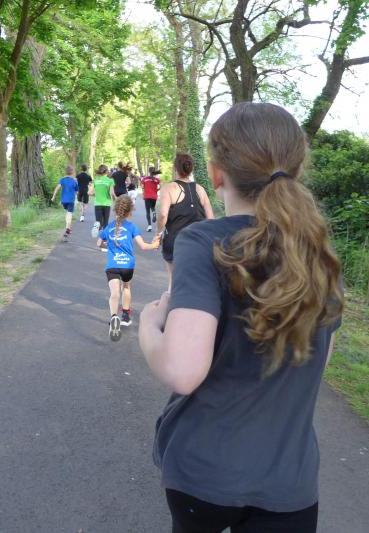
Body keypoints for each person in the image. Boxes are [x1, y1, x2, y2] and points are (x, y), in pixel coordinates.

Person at [139, 102, 343, 533]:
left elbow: (182, 371)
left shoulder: (203, 242)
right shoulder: (318, 251)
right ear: (296, 168)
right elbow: (316, 364)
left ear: (216, 174)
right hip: (289, 480)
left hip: (205, 473)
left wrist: (148, 326)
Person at [98, 195, 160, 341]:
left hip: (112, 266)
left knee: (114, 293)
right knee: (126, 287)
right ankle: (125, 316)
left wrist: (107, 245)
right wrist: (155, 245)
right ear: (130, 212)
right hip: (127, 266)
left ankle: (114, 317)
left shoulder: (109, 227)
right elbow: (143, 246)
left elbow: (99, 243)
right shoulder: (132, 227)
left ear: (115, 210)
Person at [156, 152, 215, 285]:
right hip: (198, 242)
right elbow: (211, 219)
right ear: (191, 168)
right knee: (198, 280)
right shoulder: (200, 190)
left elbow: (163, 214)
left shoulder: (168, 188)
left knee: (174, 281)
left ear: (175, 168)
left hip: (175, 242)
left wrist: (158, 234)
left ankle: (172, 296)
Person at [51, 165, 79, 241]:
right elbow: (77, 191)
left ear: (65, 172)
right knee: (69, 214)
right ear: (72, 172)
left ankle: (68, 228)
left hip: (64, 201)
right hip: (71, 200)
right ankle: (67, 228)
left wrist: (53, 197)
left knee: (68, 213)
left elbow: (57, 188)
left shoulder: (62, 180)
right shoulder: (74, 181)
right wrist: (78, 198)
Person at [92, 165, 115, 249]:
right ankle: (104, 242)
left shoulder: (96, 180)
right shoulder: (110, 181)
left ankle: (97, 226)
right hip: (106, 204)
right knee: (105, 223)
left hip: (97, 203)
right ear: (106, 171)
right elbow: (111, 193)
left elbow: (89, 192)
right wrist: (115, 199)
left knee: (99, 222)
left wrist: (97, 194)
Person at [141, 167, 162, 232]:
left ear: (149, 171)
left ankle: (149, 226)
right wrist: (156, 190)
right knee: (152, 207)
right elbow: (160, 186)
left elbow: (142, 187)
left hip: (147, 196)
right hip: (154, 196)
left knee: (147, 211)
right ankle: (154, 213)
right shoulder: (157, 180)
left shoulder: (144, 179)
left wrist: (143, 193)